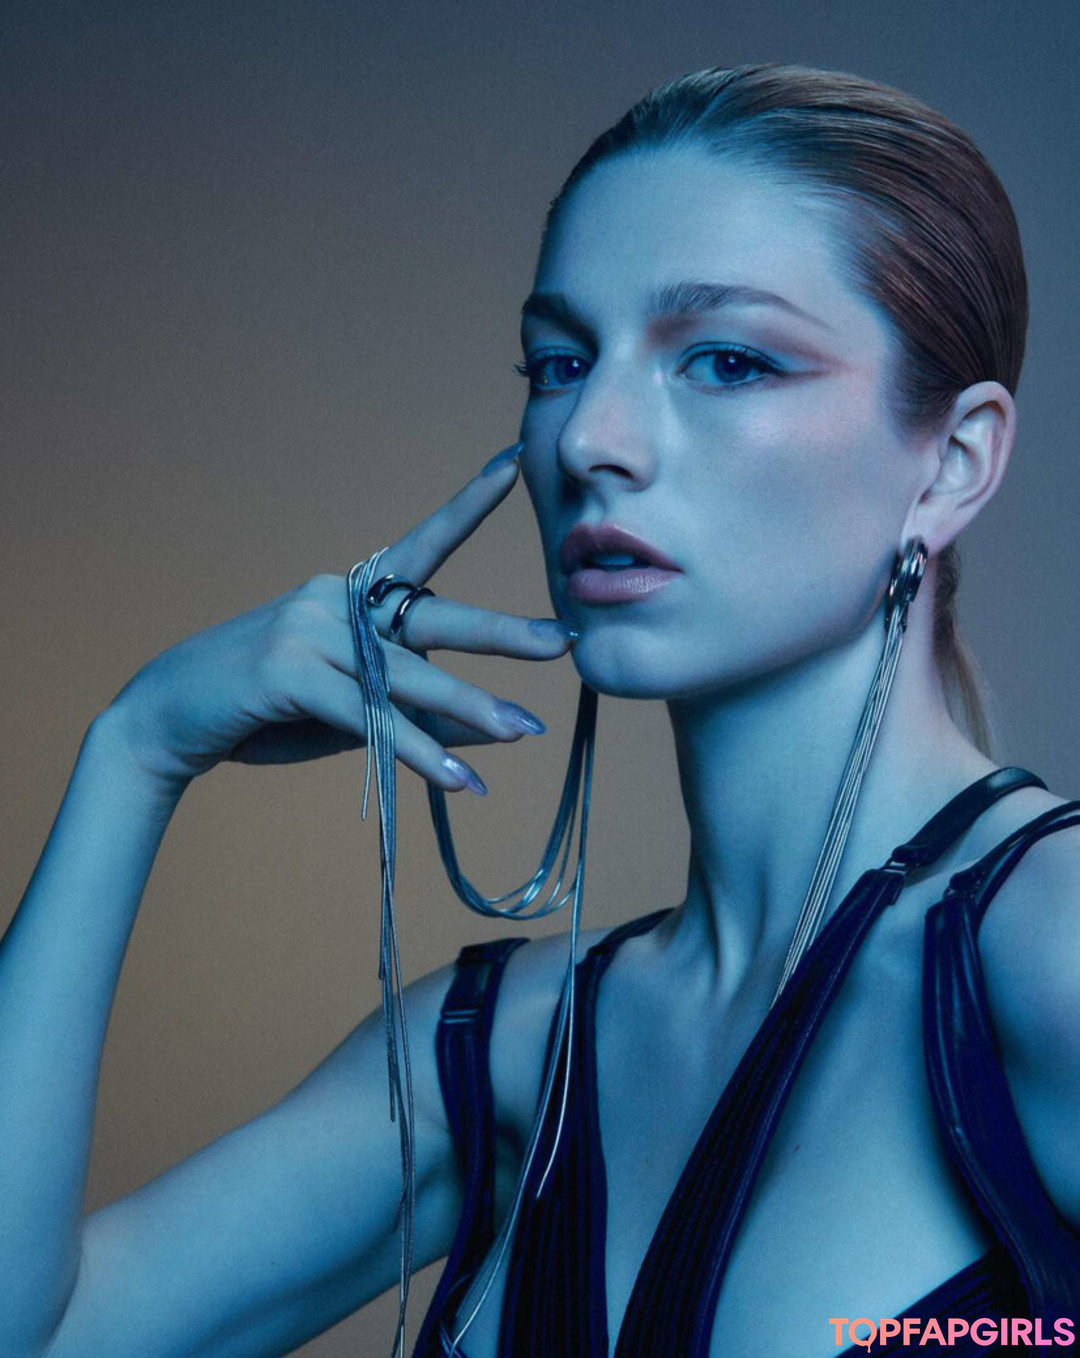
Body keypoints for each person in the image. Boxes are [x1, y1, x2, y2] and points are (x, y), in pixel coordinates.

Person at [2, 60, 1078, 1358]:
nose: (587, 438)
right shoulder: (500, 1050)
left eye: (727, 360)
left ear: (952, 461)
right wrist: (138, 745)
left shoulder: (1049, 944)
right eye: (561, 361)